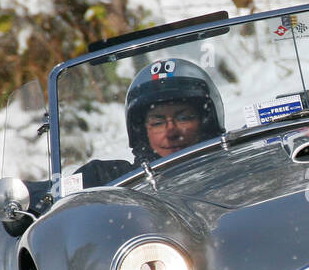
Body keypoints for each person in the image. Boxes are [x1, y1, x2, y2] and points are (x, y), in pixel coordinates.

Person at [72, 57, 224, 189]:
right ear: (143, 132)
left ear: (205, 122)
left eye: (183, 118)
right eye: (158, 122)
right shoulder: (122, 183)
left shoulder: (237, 168)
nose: (171, 131)